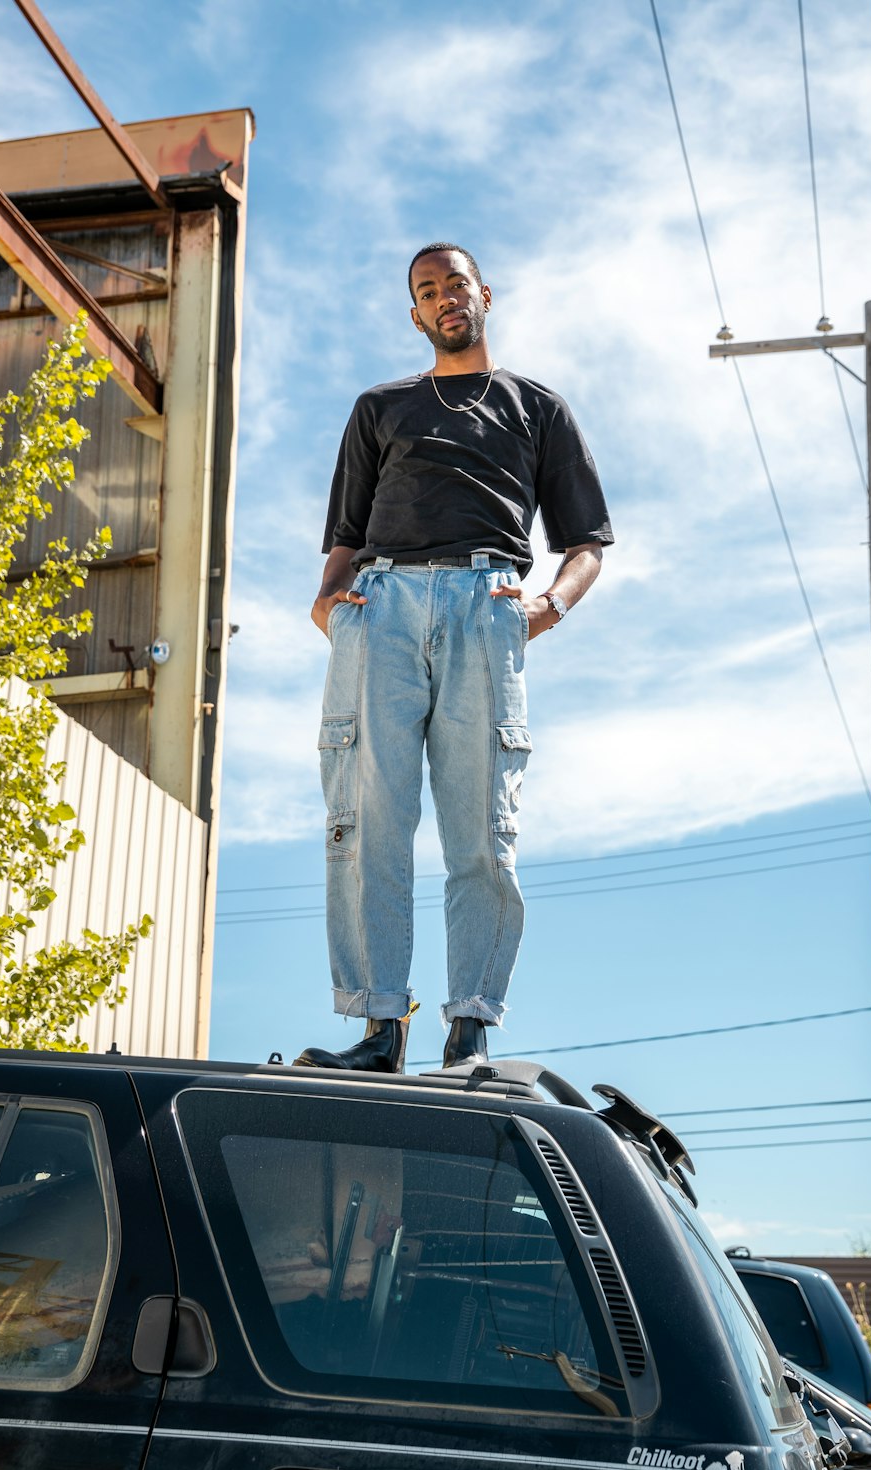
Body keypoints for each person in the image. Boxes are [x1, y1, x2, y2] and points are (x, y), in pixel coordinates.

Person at [294, 243, 612, 1074]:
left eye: (456, 286)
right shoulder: (381, 406)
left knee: (481, 829)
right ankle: (377, 1030)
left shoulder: (537, 407)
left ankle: (469, 1029)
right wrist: (328, 604)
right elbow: (346, 535)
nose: (444, 300)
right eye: (427, 292)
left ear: (484, 295)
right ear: (416, 314)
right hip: (382, 607)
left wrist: (548, 606)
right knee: (370, 826)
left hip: (487, 604)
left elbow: (586, 545)